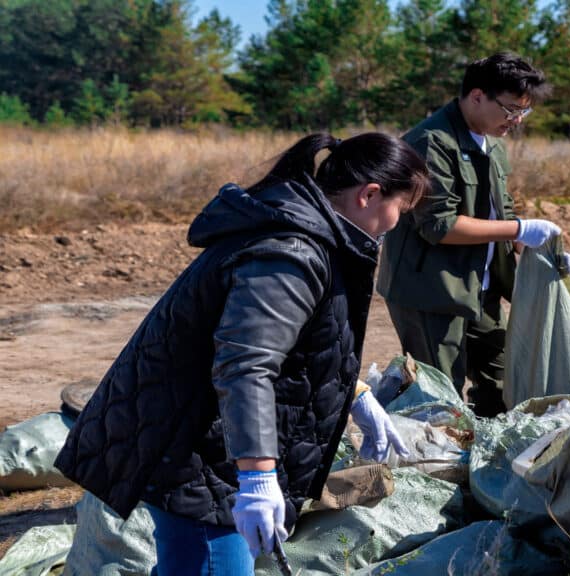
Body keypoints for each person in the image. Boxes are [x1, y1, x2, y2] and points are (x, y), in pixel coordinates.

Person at [54, 132, 430, 575]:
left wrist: (357, 392)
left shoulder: (309, 235)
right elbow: (246, 364)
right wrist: (256, 478)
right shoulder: (290, 253)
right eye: (400, 210)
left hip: (212, 448)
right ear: (370, 195)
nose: (396, 223)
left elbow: (293, 347)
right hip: (201, 460)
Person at [377, 52, 570, 417]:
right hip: (431, 291)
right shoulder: (432, 142)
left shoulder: (492, 140)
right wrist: (519, 229)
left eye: (523, 112)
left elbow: (502, 208)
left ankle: (486, 462)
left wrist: (538, 247)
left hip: (480, 287)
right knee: (441, 397)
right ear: (477, 95)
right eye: (511, 109)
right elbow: (439, 225)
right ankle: (439, 466)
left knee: (503, 382)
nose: (515, 120)